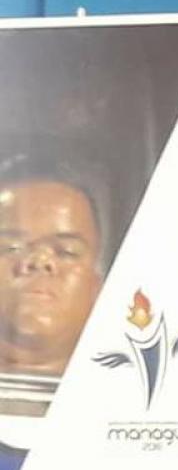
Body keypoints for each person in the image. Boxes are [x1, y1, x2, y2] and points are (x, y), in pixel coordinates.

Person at [0, 161, 104, 414]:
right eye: (11, 247)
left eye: (66, 252)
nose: (39, 261)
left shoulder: (138, 408)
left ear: (96, 285)